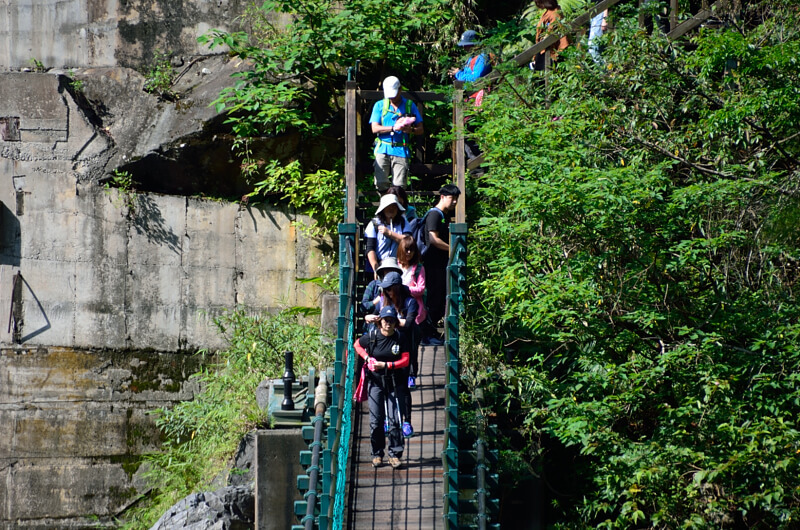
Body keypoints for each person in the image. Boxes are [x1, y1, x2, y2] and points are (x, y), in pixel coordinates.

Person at [354, 305, 411, 469]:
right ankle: (377, 454)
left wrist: (386, 365)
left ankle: (394, 454)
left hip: (394, 382)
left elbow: (406, 360)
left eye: (392, 320)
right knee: (376, 421)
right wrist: (367, 358)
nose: (389, 323)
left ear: (395, 323)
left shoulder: (400, 338)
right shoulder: (372, 337)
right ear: (380, 322)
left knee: (395, 420)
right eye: (386, 320)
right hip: (375, 383)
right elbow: (357, 345)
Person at [366, 271, 419, 438]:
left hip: (403, 347)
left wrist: (389, 319)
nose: (386, 292)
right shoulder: (382, 300)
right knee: (384, 387)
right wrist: (370, 317)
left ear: (396, 288)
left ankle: (406, 422)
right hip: (384, 348)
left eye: (389, 289)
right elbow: (371, 313)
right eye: (385, 289)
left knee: (402, 388)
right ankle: (387, 420)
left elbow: (409, 323)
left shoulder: (410, 302)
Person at [421, 184, 461, 344]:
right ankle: (426, 336)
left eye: (456, 198)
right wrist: (452, 249)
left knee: (438, 298)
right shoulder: (434, 215)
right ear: (442, 197)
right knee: (433, 299)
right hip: (433, 264)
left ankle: (429, 334)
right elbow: (433, 239)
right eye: (452, 198)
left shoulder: (441, 215)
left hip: (438, 264)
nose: (455, 202)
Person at [370, 76, 424, 191]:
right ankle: (385, 205)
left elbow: (420, 129)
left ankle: (398, 207)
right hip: (382, 148)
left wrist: (411, 130)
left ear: (400, 90)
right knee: (380, 182)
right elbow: (374, 128)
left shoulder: (409, 105)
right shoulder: (379, 105)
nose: (392, 98)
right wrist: (394, 128)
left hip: (401, 149)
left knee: (399, 186)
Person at [397, 235, 427, 390]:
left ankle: (411, 376)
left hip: (414, 313)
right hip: (396, 313)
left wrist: (405, 289)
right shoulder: (394, 266)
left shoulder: (419, 268)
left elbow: (421, 289)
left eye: (411, 249)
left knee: (412, 348)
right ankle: (398, 375)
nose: (408, 252)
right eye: (406, 249)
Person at [364, 193, 412, 280]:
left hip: (398, 267)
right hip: (379, 265)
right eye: (388, 206)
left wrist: (390, 234)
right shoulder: (374, 224)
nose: (391, 209)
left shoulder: (403, 223)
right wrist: (376, 269)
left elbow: (408, 242)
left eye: (394, 206)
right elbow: (370, 249)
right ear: (383, 208)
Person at [360, 257, 403, 331]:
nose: (389, 273)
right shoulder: (374, 285)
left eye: (392, 270)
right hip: (374, 325)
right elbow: (363, 307)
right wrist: (376, 301)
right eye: (387, 270)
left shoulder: (399, 287)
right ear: (382, 271)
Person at [532, 0, 569, 71]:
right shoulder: (550, 12)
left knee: (543, 77)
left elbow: (551, 31)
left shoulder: (554, 13)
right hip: (544, 48)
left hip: (550, 49)